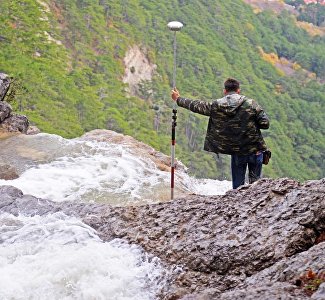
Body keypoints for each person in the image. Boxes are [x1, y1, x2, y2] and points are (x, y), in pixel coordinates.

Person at [171, 78, 270, 189]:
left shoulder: (217, 105)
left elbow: (197, 106)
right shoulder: (251, 104)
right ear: (238, 90)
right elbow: (265, 124)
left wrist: (178, 99)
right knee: (256, 187)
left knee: (238, 189)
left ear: (225, 91)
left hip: (237, 152)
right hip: (255, 150)